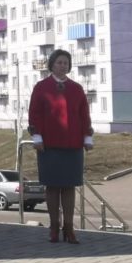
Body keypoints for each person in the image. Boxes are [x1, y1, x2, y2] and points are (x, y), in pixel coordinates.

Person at [28, 49, 93, 245]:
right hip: (49, 145)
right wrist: (36, 136)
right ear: (52, 65)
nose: (62, 65)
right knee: (52, 187)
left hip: (72, 145)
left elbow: (84, 114)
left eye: (66, 62)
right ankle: (54, 227)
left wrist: (87, 137)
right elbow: (35, 113)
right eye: (59, 62)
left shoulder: (77, 88)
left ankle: (69, 228)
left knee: (69, 187)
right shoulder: (41, 87)